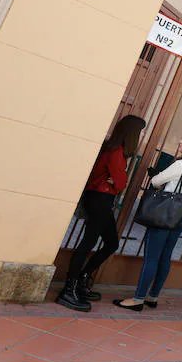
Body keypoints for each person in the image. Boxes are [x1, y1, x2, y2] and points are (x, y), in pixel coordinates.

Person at [57, 115, 146, 312]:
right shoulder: (116, 152)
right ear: (132, 133)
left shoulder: (117, 150)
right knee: (87, 243)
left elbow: (118, 181)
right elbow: (122, 183)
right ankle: (68, 290)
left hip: (101, 199)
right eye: (140, 132)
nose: (141, 136)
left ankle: (83, 278)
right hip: (99, 198)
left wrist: (116, 180)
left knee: (111, 243)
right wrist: (117, 180)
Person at [114, 130, 182, 311]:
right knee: (166, 256)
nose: (180, 142)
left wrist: (160, 177)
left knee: (152, 257)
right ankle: (153, 296)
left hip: (167, 212)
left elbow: (155, 181)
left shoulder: (181, 165)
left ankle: (138, 299)